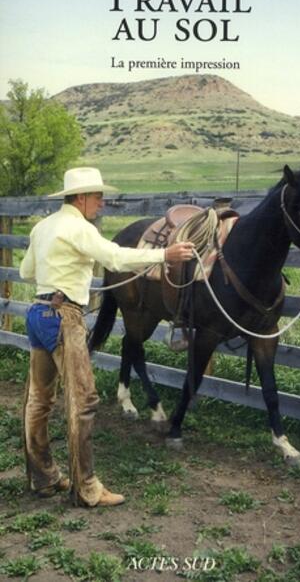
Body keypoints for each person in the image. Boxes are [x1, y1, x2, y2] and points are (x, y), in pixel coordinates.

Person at [20, 167, 194, 507]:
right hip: (64, 318)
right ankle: (87, 488)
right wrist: (165, 255)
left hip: (38, 313)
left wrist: (62, 265)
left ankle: (43, 477)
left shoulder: (44, 226)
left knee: (39, 400)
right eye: (98, 196)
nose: (102, 203)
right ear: (81, 197)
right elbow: (115, 257)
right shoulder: (79, 227)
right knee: (82, 402)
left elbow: (27, 271)